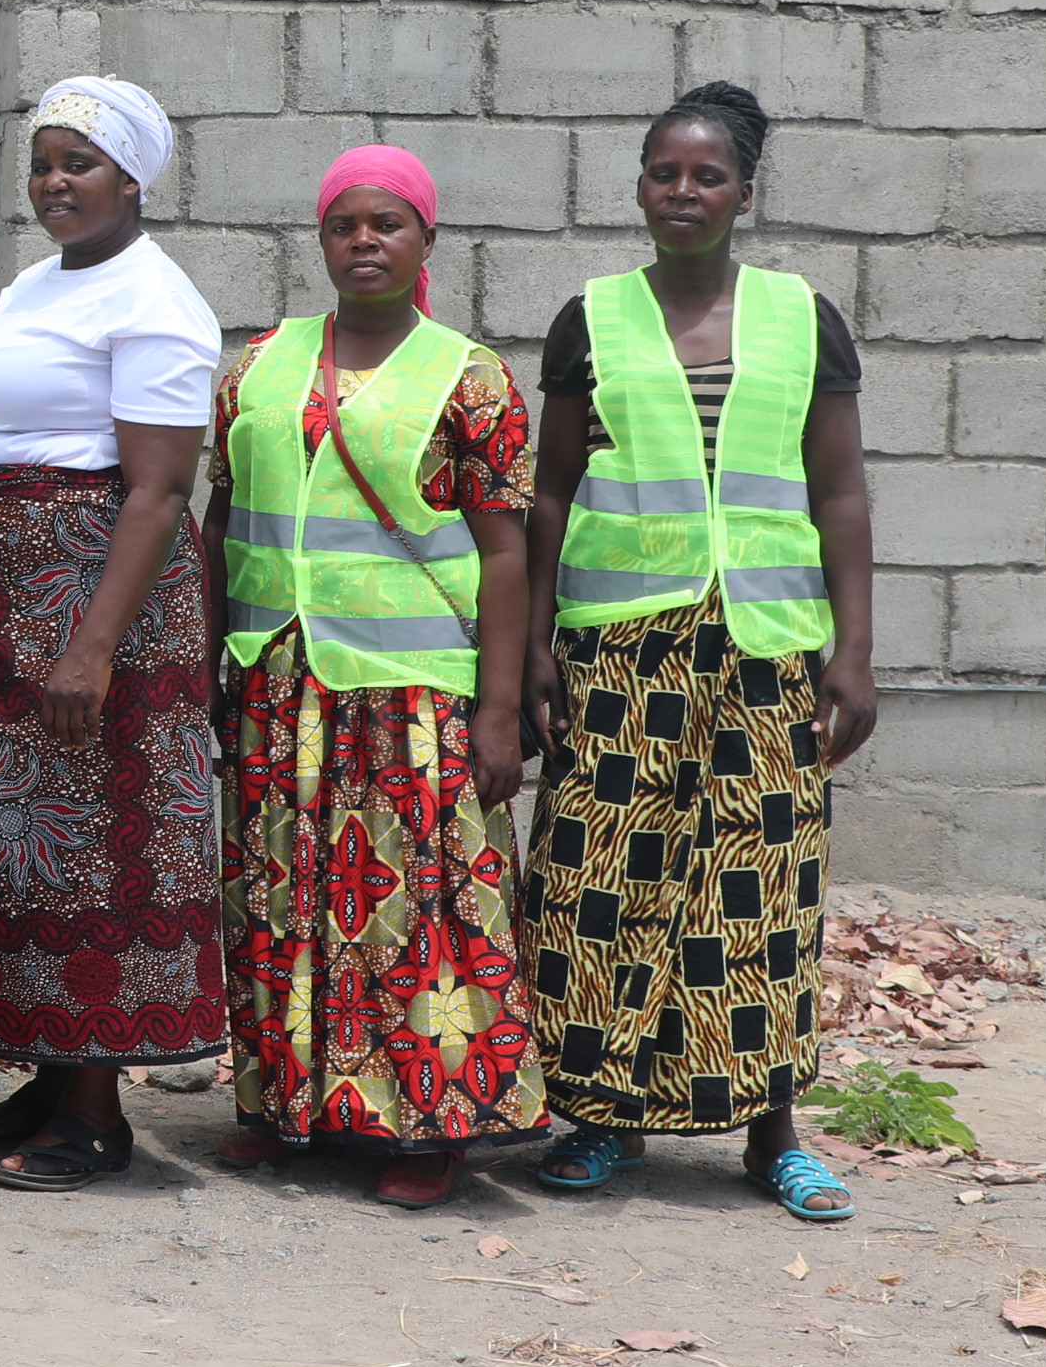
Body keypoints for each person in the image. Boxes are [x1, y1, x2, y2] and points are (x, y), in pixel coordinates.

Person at [521, 81, 881, 1222]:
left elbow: (841, 491)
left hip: (766, 650)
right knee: (602, 882)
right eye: (665, 172)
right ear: (639, 186)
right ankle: (603, 1120)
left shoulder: (801, 317)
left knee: (759, 893)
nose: (685, 191)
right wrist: (532, 647)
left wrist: (855, 653)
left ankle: (773, 1135)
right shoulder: (591, 318)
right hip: (620, 653)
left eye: (708, 174)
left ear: (744, 194)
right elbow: (551, 490)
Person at [204, 146, 544, 1210]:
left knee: (422, 907)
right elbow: (222, 525)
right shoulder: (257, 367)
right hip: (280, 680)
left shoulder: (469, 374)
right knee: (284, 896)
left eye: (388, 225)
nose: (365, 241)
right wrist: (213, 659)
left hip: (411, 691)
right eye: (346, 224)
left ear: (426, 242)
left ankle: (431, 1121)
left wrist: (498, 713)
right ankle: (287, 1106)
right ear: (321, 238)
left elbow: (503, 553)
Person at [0, 77, 225, 1192]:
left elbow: (156, 492)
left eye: (81, 164)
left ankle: (97, 1115)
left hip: (91, 603)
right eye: (44, 162)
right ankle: (51, 1077)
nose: (56, 182)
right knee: (18, 847)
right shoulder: (38, 284)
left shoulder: (155, 300)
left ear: (132, 178)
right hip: (1, 604)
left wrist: (93, 645)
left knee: (92, 851)